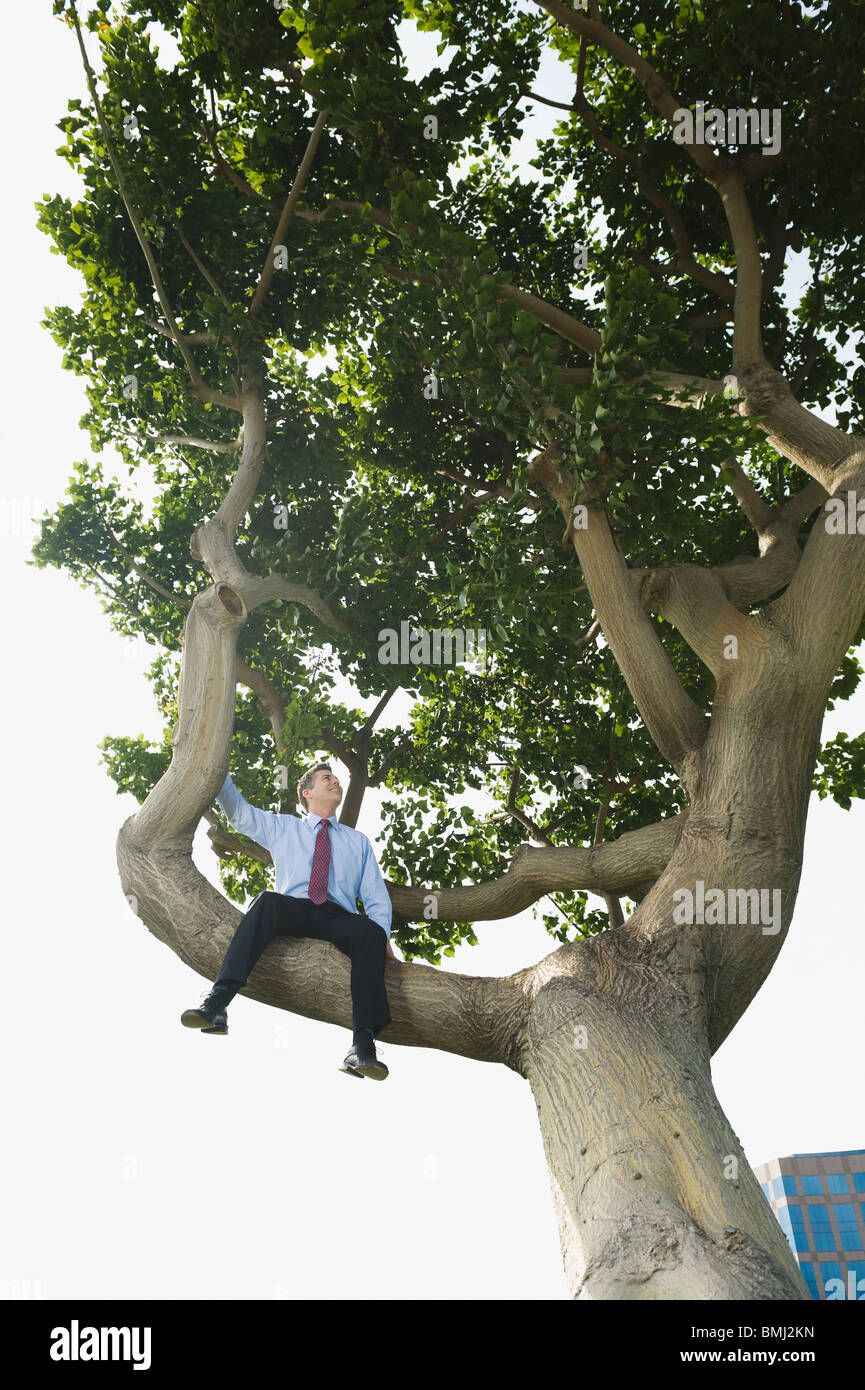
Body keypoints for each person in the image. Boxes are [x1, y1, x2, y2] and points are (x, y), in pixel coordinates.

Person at [180, 761, 396, 1080]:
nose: (336, 781)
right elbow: (239, 813)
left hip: (338, 917)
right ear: (307, 793)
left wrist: (383, 939)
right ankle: (218, 1003)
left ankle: (363, 1044)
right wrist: (220, 770)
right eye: (327, 778)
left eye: (336, 778)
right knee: (266, 901)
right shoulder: (284, 827)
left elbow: (376, 896)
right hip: (294, 909)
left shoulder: (358, 842)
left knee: (370, 932)